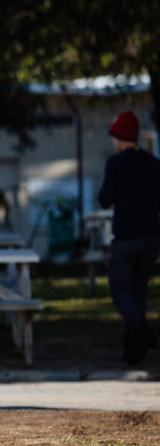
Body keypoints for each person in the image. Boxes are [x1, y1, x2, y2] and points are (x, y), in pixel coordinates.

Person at [98, 110, 160, 365]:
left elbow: (105, 199)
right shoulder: (153, 163)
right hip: (151, 236)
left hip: (125, 237)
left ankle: (141, 329)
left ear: (119, 136)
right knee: (139, 290)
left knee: (120, 290)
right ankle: (134, 351)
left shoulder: (116, 163)